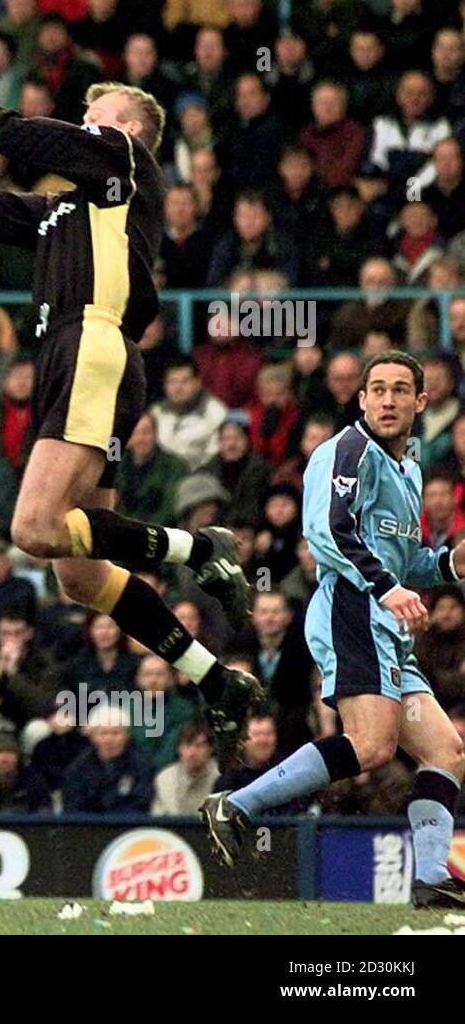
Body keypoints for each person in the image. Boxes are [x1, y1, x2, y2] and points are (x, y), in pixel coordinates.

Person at [0, 31, 263, 764]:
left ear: (128, 127)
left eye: (93, 111)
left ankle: (199, 547)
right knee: (77, 576)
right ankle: (214, 678)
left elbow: (17, 133)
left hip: (92, 346)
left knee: (34, 530)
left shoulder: (127, 162)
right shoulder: (71, 208)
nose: (82, 119)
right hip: (83, 358)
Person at [203, 352, 465, 909]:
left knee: (446, 749)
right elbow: (329, 531)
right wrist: (387, 589)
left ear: (421, 402)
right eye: (378, 389)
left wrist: (449, 566)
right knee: (371, 745)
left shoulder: (409, 469)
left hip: (387, 624)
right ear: (362, 399)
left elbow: (403, 558)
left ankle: (430, 877)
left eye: (400, 390)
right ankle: (237, 805)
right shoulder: (347, 451)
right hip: (352, 610)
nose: (388, 400)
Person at [150, 720, 219, 815]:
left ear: (210, 749)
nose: (191, 753)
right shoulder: (166, 778)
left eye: (199, 746)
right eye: (187, 745)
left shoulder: (221, 777)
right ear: (179, 749)